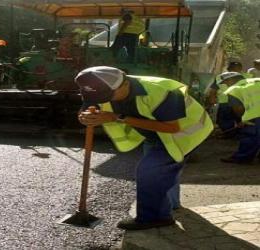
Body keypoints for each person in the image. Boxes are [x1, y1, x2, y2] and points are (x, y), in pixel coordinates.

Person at [75, 66, 213, 230]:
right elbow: (88, 107)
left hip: (184, 134)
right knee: (164, 171)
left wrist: (117, 117)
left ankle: (155, 218)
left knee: (150, 171)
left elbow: (171, 128)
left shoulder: (163, 91)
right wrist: (85, 117)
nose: (103, 101)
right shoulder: (100, 88)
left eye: (107, 97)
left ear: (125, 84)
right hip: (154, 134)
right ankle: (171, 205)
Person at [221, 78, 260, 164]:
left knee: (251, 135)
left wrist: (242, 121)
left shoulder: (234, 90)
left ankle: (242, 157)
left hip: (257, 113)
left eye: (226, 82)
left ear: (232, 80)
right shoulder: (255, 81)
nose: (226, 85)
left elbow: (238, 109)